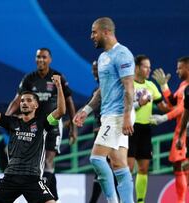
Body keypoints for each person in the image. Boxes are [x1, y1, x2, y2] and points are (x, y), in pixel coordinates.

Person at [0, 74, 66, 203]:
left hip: (32, 178)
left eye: (29, 100)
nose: (24, 103)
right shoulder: (11, 122)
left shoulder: (43, 123)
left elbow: (61, 111)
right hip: (11, 177)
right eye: (22, 100)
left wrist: (58, 86)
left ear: (36, 105)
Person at [73, 17, 135, 203]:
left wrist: (125, 117)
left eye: (94, 32)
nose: (91, 36)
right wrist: (86, 110)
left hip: (118, 114)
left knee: (96, 159)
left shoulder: (122, 54)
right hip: (109, 114)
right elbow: (102, 91)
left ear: (106, 32)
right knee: (119, 164)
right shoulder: (102, 57)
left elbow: (129, 89)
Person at [5, 48, 77, 200]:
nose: (40, 60)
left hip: (52, 124)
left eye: (44, 57)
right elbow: (18, 99)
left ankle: (43, 198)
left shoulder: (58, 77)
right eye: (38, 57)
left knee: (48, 161)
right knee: (41, 164)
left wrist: (73, 125)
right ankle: (52, 197)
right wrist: (7, 118)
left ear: (50, 59)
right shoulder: (29, 78)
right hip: (35, 128)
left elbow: (68, 100)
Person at [128, 55, 168, 203]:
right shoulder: (128, 84)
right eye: (146, 66)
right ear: (137, 67)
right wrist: (139, 103)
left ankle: (140, 201)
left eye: (149, 67)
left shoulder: (151, 85)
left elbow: (165, 107)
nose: (149, 70)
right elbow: (122, 107)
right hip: (130, 129)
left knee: (144, 168)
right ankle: (124, 199)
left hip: (145, 130)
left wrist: (165, 88)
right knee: (128, 169)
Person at [150, 57, 189, 203]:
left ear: (188, 68)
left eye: (180, 68)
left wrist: (163, 118)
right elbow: (174, 102)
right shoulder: (183, 85)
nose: (177, 71)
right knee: (179, 166)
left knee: (182, 165)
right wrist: (165, 87)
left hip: (185, 134)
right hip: (181, 132)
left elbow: (182, 109)